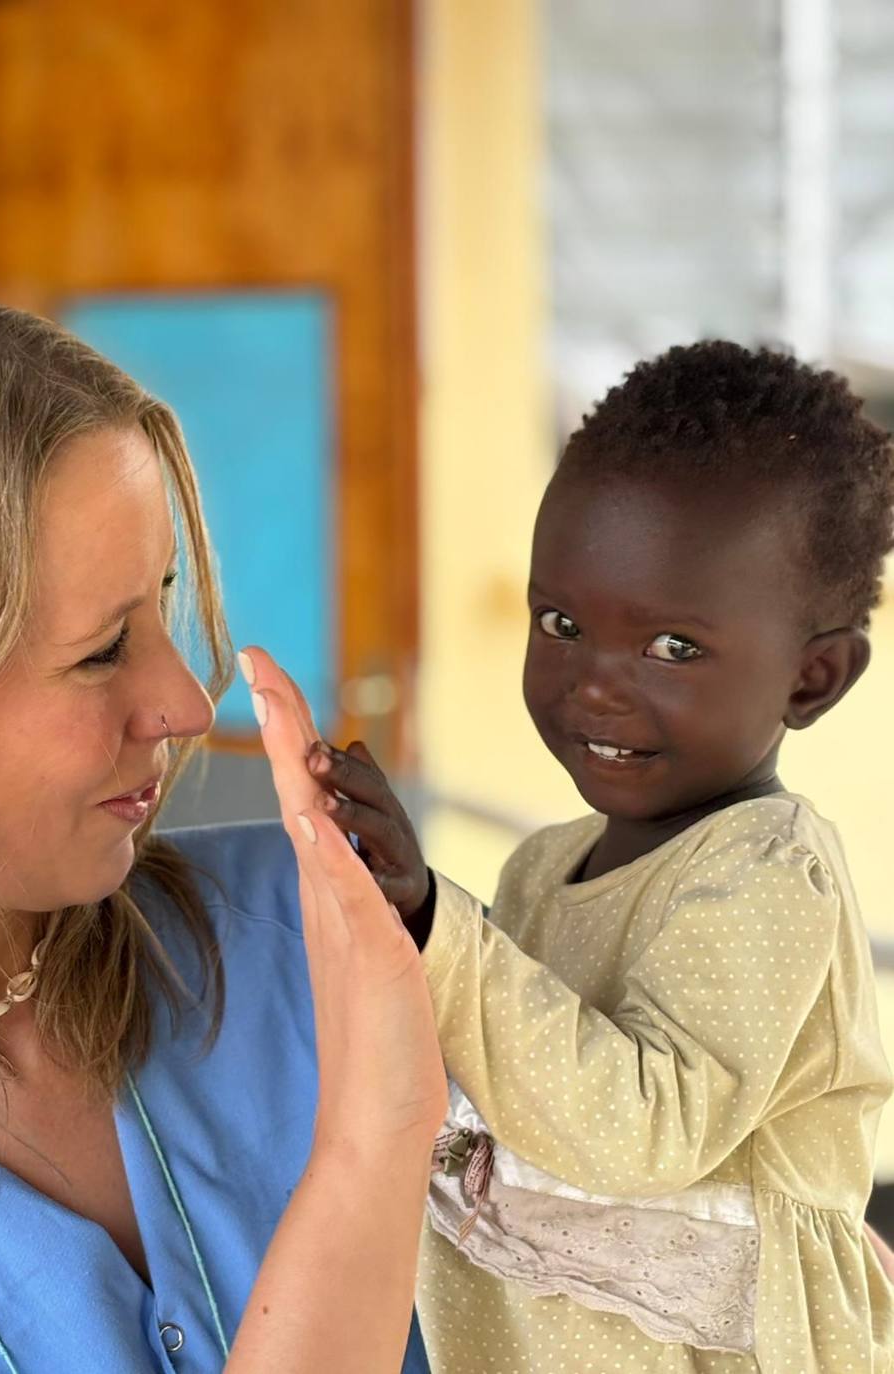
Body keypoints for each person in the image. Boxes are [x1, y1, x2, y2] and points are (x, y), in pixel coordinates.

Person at [0, 270, 442, 1373]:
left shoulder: (315, 929)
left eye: (165, 603)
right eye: (99, 651)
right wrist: (375, 1140)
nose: (184, 703)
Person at [306, 343, 894, 1370]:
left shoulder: (767, 874)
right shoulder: (542, 869)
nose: (593, 685)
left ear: (812, 679)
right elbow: (496, 1074)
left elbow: (634, 1133)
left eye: (670, 647)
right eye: (561, 623)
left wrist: (439, 928)